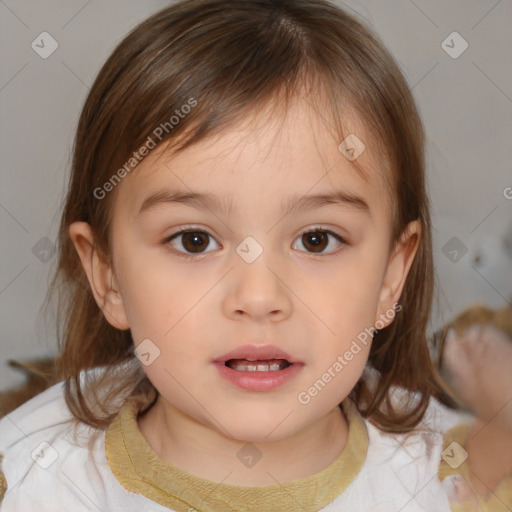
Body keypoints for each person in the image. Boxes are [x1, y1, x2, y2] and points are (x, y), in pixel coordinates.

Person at [0, 0, 510, 510]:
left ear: (391, 276)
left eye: (316, 239)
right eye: (194, 240)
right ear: (107, 274)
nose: (260, 297)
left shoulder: (453, 480)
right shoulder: (36, 486)